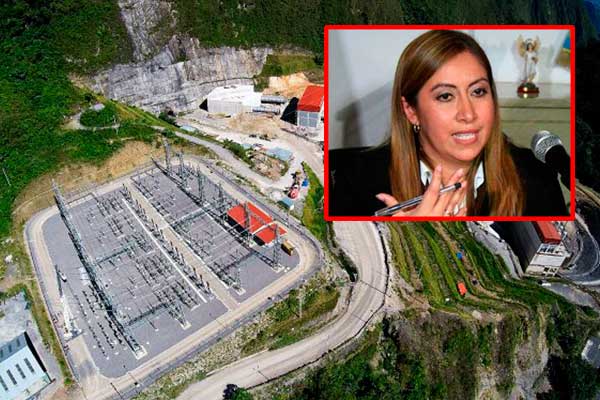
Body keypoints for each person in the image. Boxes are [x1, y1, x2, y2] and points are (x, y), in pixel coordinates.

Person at [328, 30, 567, 217]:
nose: (468, 114)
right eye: (445, 96)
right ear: (411, 111)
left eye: (478, 91)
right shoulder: (357, 182)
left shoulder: (537, 178)